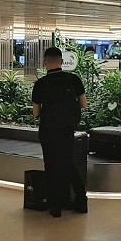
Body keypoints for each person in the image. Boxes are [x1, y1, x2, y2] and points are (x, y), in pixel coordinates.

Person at [31, 47, 88, 218]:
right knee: (68, 164)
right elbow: (84, 104)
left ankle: (55, 207)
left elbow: (35, 112)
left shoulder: (41, 84)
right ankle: (81, 201)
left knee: (51, 166)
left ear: (45, 63)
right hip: (67, 130)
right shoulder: (73, 79)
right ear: (62, 62)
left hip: (48, 131)